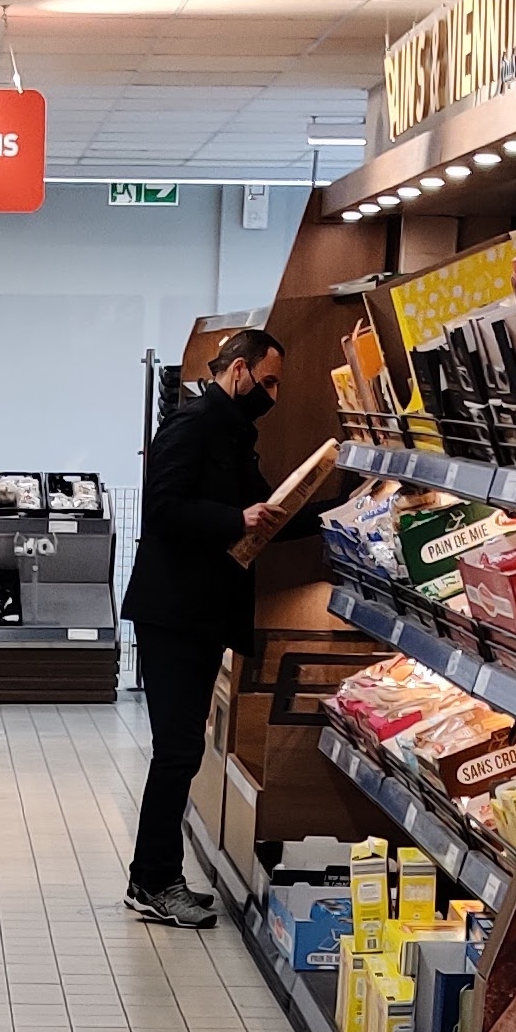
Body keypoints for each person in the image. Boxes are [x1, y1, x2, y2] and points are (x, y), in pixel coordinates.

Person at [120, 324, 310, 928]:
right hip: (173, 613)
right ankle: (153, 881)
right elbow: (163, 509)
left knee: (181, 750)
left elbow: (268, 513)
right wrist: (235, 518)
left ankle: (155, 877)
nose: (272, 395)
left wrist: (348, 512)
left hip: (199, 614)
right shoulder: (193, 424)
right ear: (239, 369)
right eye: (268, 381)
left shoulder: (232, 433)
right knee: (176, 751)